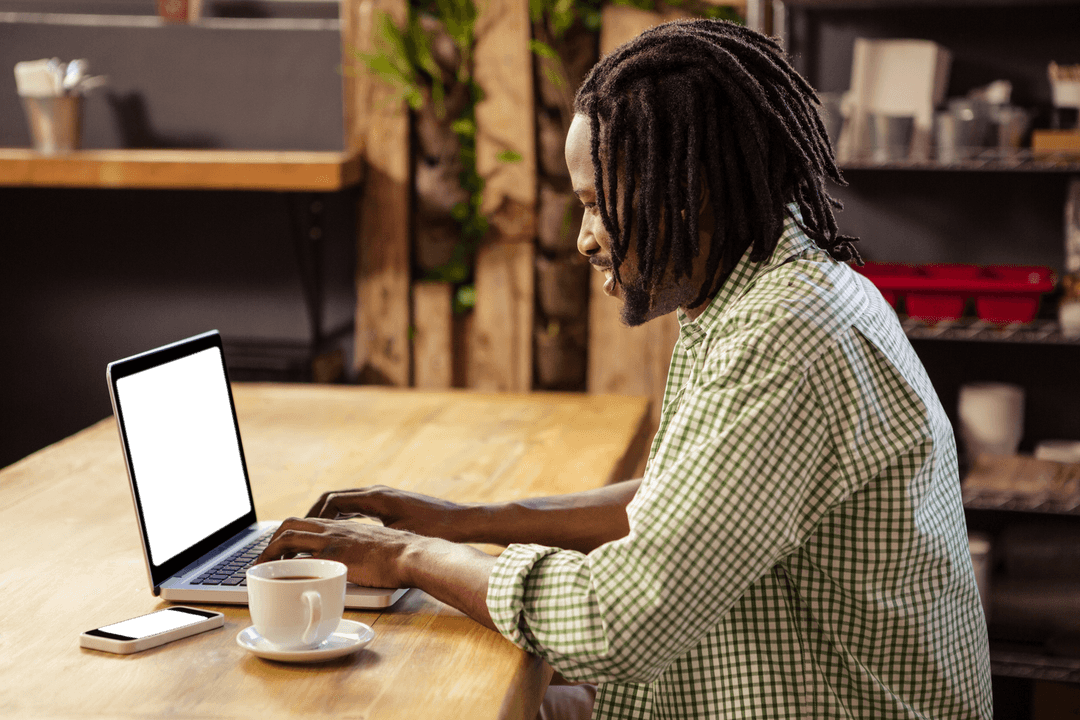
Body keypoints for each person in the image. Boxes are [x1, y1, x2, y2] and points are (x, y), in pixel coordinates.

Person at [256, 18, 993, 720]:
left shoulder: (787, 335)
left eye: (597, 206)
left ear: (692, 187)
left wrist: (414, 556)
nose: (584, 240)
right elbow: (687, 501)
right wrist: (462, 519)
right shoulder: (761, 288)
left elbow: (618, 618)